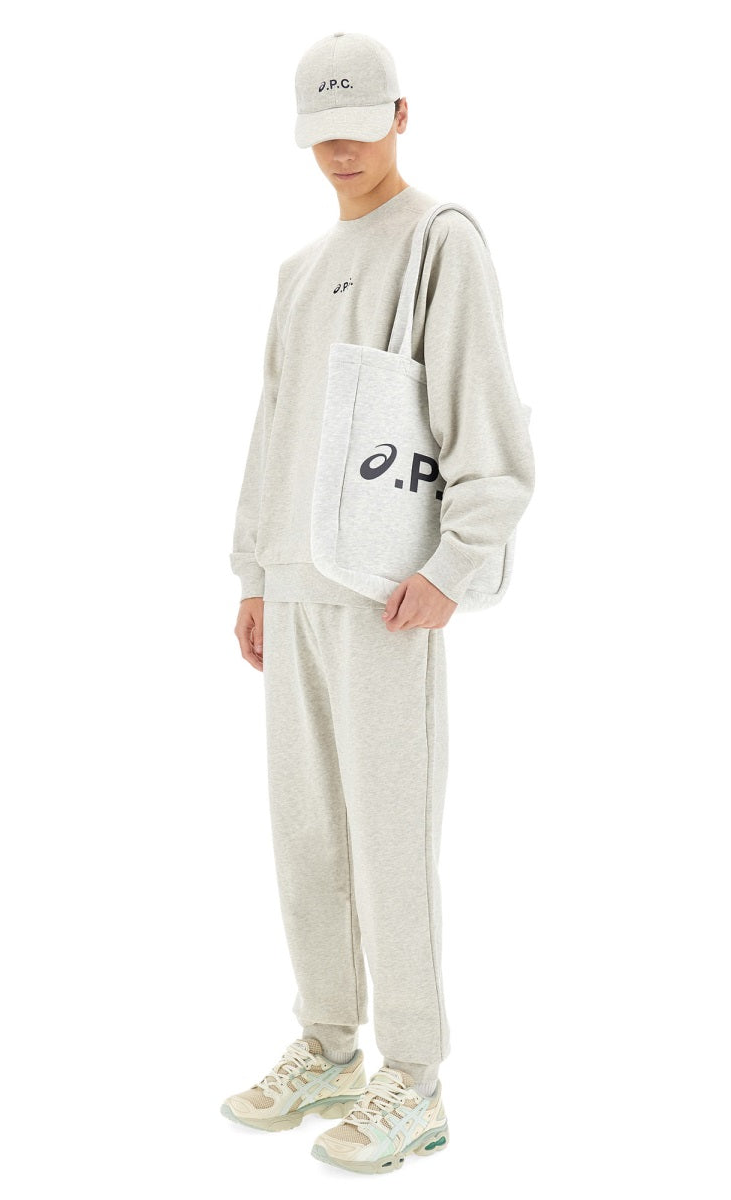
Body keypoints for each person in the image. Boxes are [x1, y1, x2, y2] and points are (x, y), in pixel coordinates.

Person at [220, 32, 535, 1174]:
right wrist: (256, 571)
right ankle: (328, 1044)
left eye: (359, 125)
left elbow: (482, 414)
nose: (341, 150)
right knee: (307, 830)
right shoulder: (300, 271)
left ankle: (414, 1077)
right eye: (323, 132)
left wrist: (456, 562)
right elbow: (274, 425)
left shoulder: (441, 240)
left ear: (402, 115)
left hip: (390, 593)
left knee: (390, 835)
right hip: (298, 589)